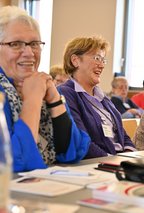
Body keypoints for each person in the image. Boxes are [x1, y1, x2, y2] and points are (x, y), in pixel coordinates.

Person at [0, 6, 90, 172]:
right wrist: (33, 100)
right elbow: (14, 163)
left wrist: (54, 99)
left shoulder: (41, 84)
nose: (29, 53)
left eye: (34, 44)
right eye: (15, 44)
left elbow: (74, 151)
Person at [58, 36, 136, 158]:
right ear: (75, 60)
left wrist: (129, 155)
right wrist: (111, 160)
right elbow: (80, 139)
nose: (101, 65)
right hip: (96, 163)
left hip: (118, 161)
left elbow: (122, 133)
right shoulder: (66, 93)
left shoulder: (103, 98)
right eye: (97, 58)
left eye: (103, 60)